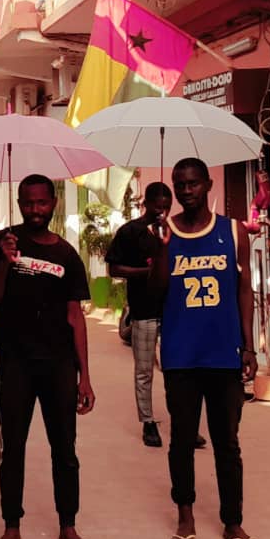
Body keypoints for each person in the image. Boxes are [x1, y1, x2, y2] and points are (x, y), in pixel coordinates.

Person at [0, 174, 101, 539]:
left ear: (53, 204)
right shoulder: (0, 243)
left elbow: (75, 317)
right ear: (19, 203)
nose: (35, 210)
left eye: (42, 203)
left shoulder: (67, 255)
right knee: (12, 447)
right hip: (14, 361)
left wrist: (85, 376)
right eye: (28, 203)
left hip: (59, 365)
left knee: (65, 449)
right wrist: (4, 261)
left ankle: (69, 529)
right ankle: (11, 530)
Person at [150, 157, 263, 539]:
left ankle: (233, 522)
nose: (186, 191)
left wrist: (249, 345)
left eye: (193, 183)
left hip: (223, 354)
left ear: (208, 184)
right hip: (181, 355)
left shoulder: (232, 231)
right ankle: (185, 515)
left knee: (227, 442)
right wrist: (162, 250)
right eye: (179, 184)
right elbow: (157, 290)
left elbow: (244, 289)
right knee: (181, 440)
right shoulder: (165, 233)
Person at [107, 182, 210, 450]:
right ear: (146, 204)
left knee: (180, 371)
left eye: (167, 206)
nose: (162, 212)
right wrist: (147, 273)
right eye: (157, 206)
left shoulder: (177, 231)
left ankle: (184, 425)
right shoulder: (130, 232)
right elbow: (114, 268)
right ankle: (148, 422)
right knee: (144, 370)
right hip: (143, 310)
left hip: (176, 311)